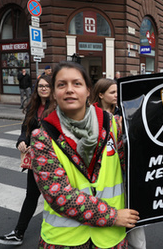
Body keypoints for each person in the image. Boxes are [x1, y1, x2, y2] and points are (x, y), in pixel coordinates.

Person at [30, 61, 139, 248]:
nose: (69, 89)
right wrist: (112, 216)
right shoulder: (42, 137)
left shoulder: (112, 124)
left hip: (110, 240)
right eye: (62, 85)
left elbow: (131, 167)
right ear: (54, 93)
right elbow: (59, 196)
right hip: (64, 241)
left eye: (77, 83)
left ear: (88, 91)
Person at [0, 75, 55, 245]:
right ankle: (18, 233)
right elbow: (25, 129)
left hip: (54, 161)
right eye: (40, 86)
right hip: (35, 160)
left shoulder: (59, 108)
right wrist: (21, 141)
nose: (43, 89)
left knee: (56, 197)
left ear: (53, 88)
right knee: (31, 195)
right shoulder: (33, 107)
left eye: (46, 86)